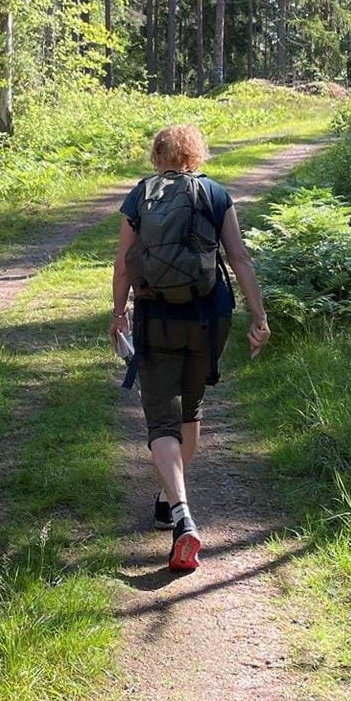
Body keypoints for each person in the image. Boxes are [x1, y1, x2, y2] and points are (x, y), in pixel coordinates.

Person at [110, 124, 271, 572]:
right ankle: (167, 497)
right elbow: (238, 257)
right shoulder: (216, 194)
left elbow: (125, 263)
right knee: (191, 409)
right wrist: (259, 316)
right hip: (208, 316)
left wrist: (118, 312)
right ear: (196, 154)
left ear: (157, 155)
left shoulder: (140, 196)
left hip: (156, 317)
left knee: (160, 417)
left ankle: (180, 512)